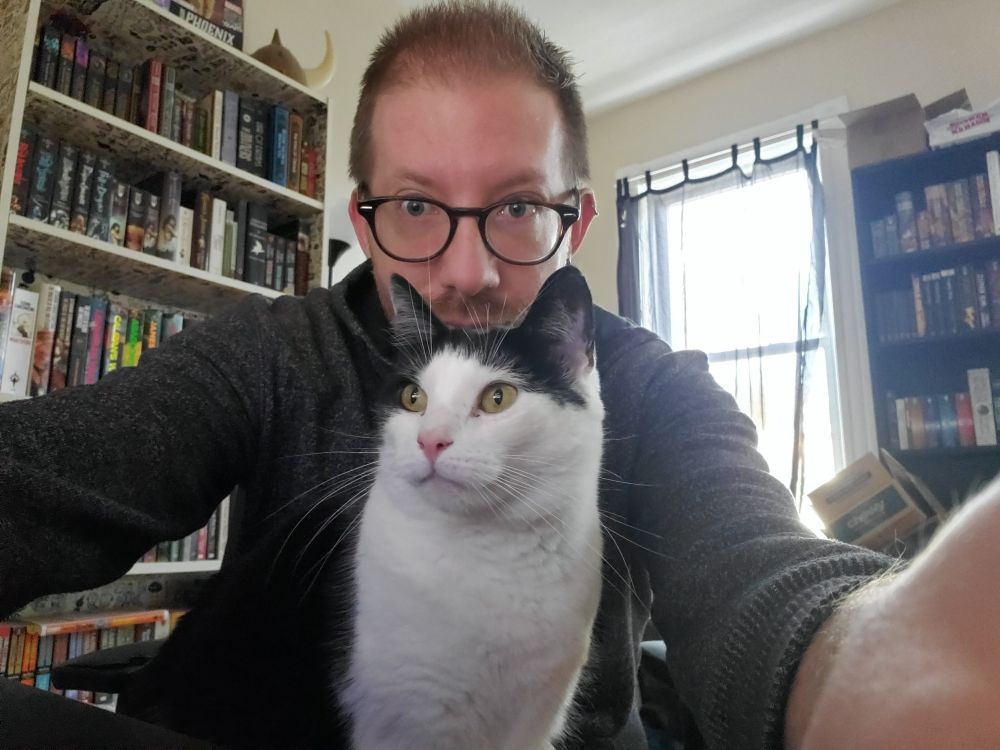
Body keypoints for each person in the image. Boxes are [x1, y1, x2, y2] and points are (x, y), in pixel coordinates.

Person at [1, 2, 998, 748]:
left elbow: (753, 567)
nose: (467, 271)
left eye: (517, 208)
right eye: (416, 207)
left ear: (577, 222)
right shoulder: (273, 353)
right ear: (363, 223)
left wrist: (888, 666)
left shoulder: (650, 388)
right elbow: (58, 473)